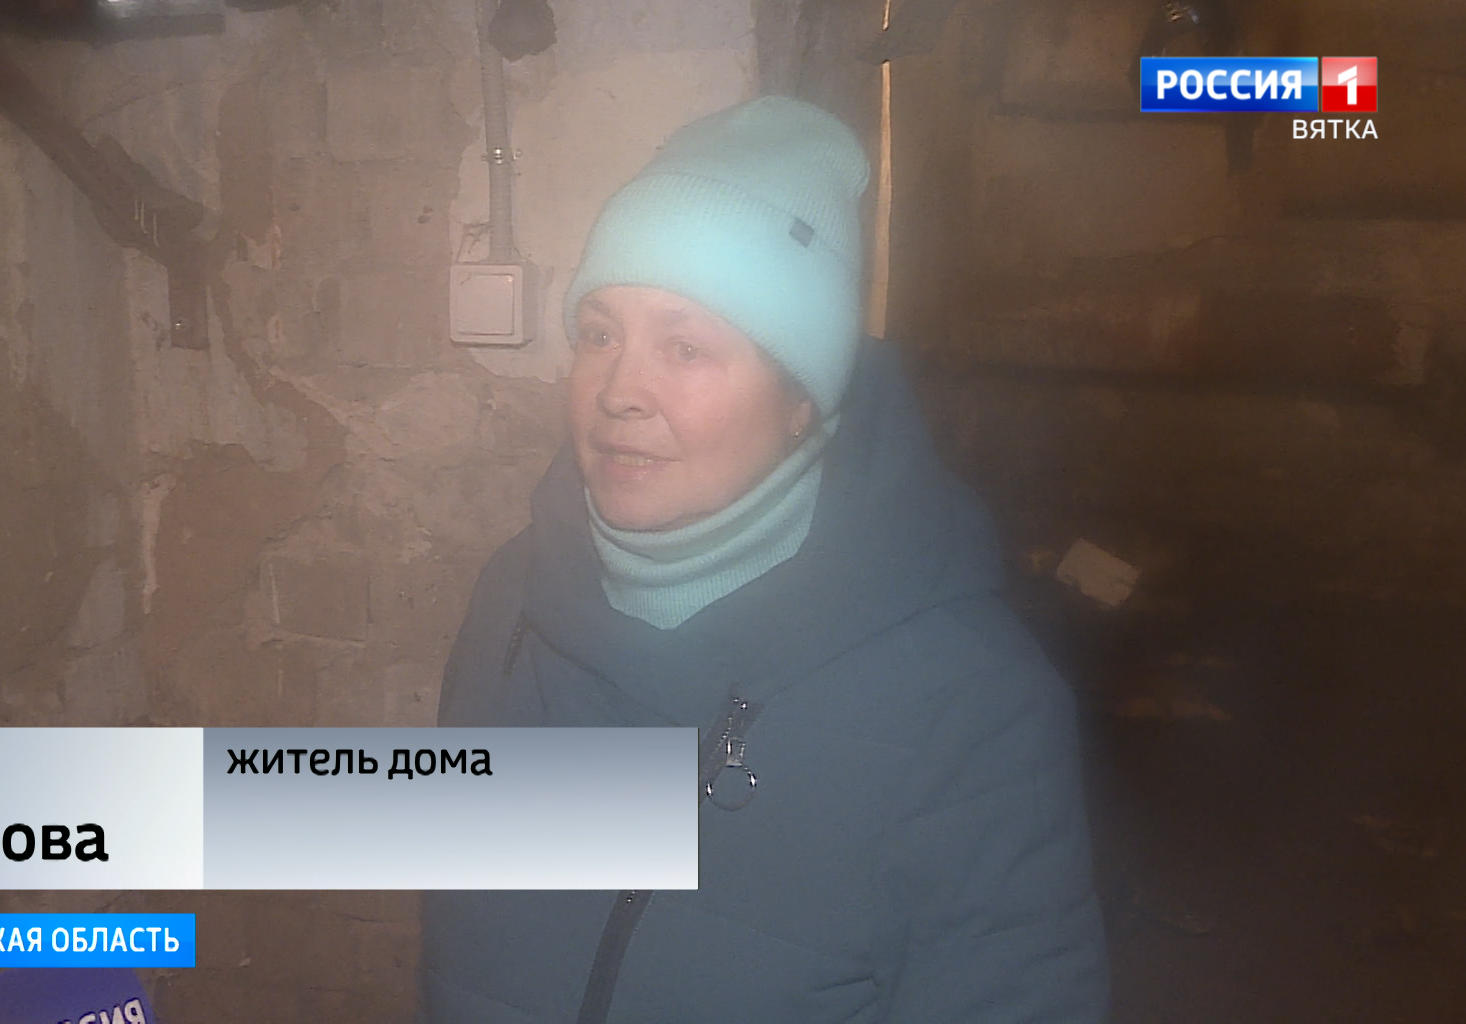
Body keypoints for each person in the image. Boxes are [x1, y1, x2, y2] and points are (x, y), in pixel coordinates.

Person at [422, 96, 1109, 1023]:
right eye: (599, 334)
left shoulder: (972, 704)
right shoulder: (514, 597)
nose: (619, 390)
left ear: (801, 401)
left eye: (685, 346)